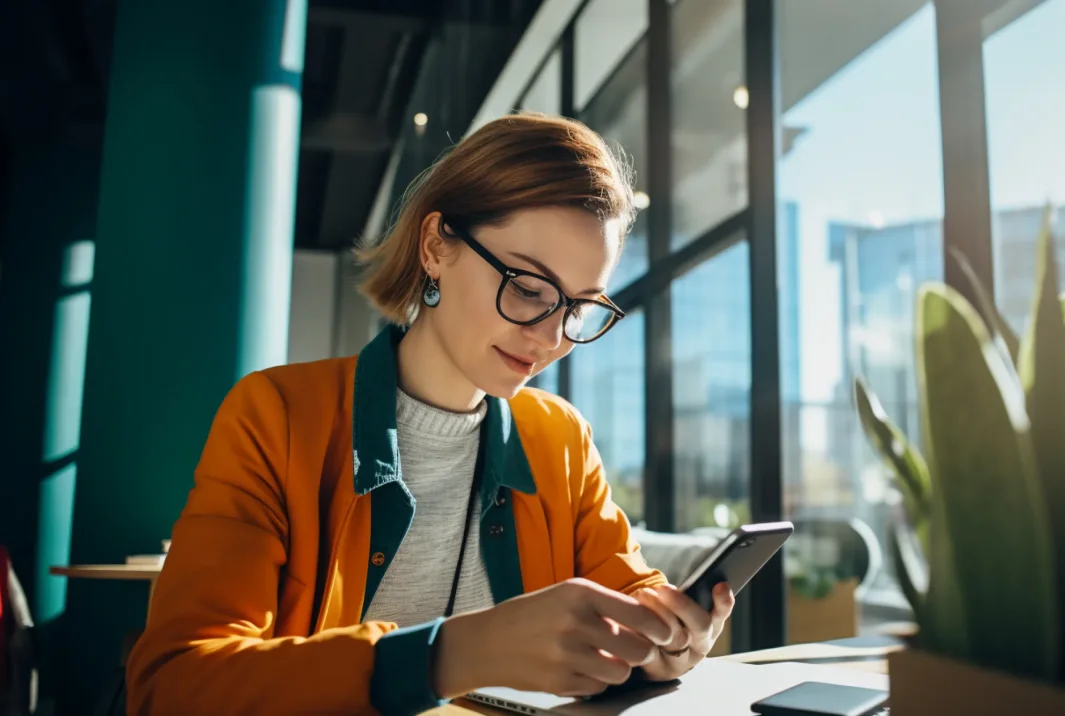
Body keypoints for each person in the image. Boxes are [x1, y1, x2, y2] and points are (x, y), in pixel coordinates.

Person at [124, 113, 734, 716]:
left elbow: (632, 590)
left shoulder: (560, 437)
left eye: (577, 307)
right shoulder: (276, 416)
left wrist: (669, 636)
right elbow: (175, 686)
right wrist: (454, 653)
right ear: (437, 245)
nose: (551, 337)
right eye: (527, 288)